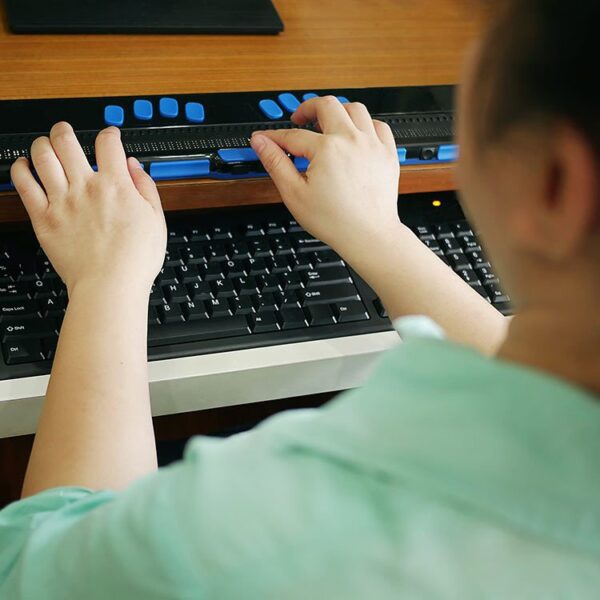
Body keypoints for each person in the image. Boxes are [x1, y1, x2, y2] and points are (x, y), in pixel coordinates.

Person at [1, 0, 599, 597]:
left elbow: (35, 567)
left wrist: (106, 281)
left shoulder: (270, 525)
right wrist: (379, 232)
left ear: (557, 183)